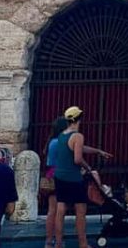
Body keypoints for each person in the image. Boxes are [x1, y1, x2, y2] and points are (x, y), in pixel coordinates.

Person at [51, 106, 113, 248]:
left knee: (61, 210)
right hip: (73, 178)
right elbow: (78, 158)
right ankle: (83, 244)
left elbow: (77, 147)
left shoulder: (62, 135)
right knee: (80, 211)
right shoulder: (78, 136)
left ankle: (58, 243)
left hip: (59, 176)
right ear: (79, 119)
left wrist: (97, 151)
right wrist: (89, 168)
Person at [42, 117, 67, 248]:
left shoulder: (52, 142)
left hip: (51, 174)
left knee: (52, 210)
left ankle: (49, 240)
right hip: (61, 175)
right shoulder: (61, 142)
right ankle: (58, 241)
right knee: (59, 210)